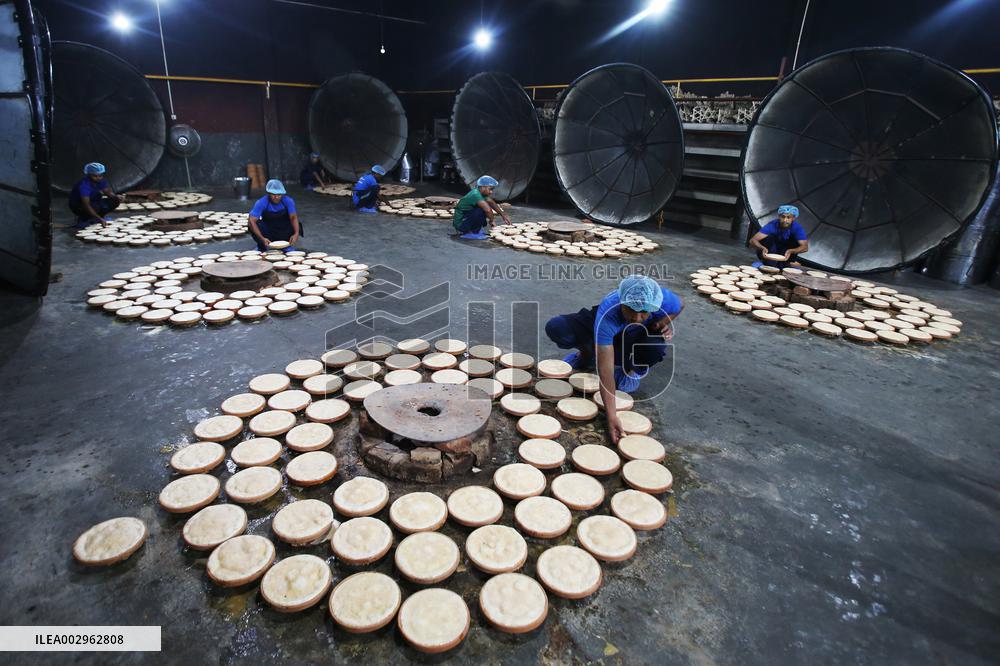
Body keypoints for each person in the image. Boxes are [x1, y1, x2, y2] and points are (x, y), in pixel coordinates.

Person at [545, 276, 684, 443]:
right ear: (621, 303)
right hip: (610, 326)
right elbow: (605, 371)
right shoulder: (608, 314)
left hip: (637, 333)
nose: (637, 316)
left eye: (644, 312)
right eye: (631, 309)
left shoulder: (661, 298)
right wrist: (612, 415)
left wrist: (664, 321)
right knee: (558, 327)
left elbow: (680, 304)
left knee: (654, 347)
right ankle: (586, 355)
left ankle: (633, 371)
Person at [248, 179, 302, 251]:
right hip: (269, 230)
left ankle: (286, 245)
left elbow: (293, 218)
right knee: (252, 224)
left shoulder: (288, 201)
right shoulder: (261, 202)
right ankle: (262, 246)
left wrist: (296, 233)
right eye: (273, 194)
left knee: (296, 224)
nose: (276, 197)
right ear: (269, 193)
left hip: (283, 230)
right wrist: (262, 238)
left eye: (279, 195)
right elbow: (252, 220)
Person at [452, 175, 511, 240]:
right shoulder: (475, 194)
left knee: (482, 210)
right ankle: (469, 232)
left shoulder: (481, 193)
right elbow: (488, 210)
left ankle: (475, 231)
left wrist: (503, 214)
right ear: (482, 187)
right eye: (490, 189)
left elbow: (491, 202)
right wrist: (491, 221)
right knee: (481, 210)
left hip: (467, 217)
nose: (491, 192)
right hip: (461, 223)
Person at [68, 162, 120, 228]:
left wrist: (117, 197)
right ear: (89, 175)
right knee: (95, 207)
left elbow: (108, 192)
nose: (98, 178)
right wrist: (99, 219)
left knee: (114, 200)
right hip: (79, 206)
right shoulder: (84, 185)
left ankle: (99, 217)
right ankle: (84, 219)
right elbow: (86, 205)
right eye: (95, 176)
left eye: (100, 175)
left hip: (93, 201)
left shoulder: (100, 181)